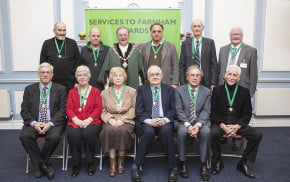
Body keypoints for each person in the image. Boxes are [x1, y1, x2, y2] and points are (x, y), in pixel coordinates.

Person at [210, 65, 263, 179]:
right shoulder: (217, 90)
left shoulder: (244, 92)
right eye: (229, 74)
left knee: (257, 135)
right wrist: (224, 126)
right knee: (212, 133)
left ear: (239, 78)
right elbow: (213, 112)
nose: (232, 77)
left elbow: (247, 113)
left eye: (235, 75)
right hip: (221, 123)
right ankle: (218, 161)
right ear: (225, 75)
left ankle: (243, 162)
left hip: (238, 123)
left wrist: (237, 126)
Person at [19, 62, 67, 179]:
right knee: (25, 136)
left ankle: (38, 165)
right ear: (38, 74)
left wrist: (50, 124)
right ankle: (43, 165)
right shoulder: (29, 89)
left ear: (52, 75)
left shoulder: (61, 89)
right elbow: (24, 110)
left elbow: (63, 110)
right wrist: (34, 123)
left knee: (54, 137)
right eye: (43, 72)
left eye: (48, 72)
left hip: (53, 123)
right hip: (34, 123)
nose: (45, 75)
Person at [131, 65, 178, 182]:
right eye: (152, 74)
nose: (155, 76)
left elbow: (174, 109)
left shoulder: (170, 89)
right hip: (148, 121)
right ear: (147, 77)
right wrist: (150, 121)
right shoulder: (142, 89)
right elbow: (139, 110)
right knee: (147, 132)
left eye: (157, 74)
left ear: (162, 76)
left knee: (167, 131)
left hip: (164, 120)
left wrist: (165, 119)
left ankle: (173, 167)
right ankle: (136, 166)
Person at [217, 27, 258, 151]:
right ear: (230, 36)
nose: (235, 36)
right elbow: (220, 70)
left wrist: (251, 92)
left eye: (238, 34)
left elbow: (253, 73)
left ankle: (237, 139)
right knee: (223, 111)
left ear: (242, 36)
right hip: (224, 88)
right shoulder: (223, 49)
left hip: (242, 89)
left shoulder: (251, 50)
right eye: (233, 34)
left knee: (239, 115)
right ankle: (223, 134)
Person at [175, 65, 211, 181]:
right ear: (187, 77)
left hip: (201, 122)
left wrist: (197, 125)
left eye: (197, 75)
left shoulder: (207, 91)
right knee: (181, 132)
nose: (195, 78)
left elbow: (206, 111)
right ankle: (182, 162)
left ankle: (203, 164)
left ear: (201, 77)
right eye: (192, 75)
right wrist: (188, 125)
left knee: (206, 132)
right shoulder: (179, 90)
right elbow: (178, 111)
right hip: (184, 121)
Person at [66, 65, 102, 177]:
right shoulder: (72, 92)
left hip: (92, 121)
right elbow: (68, 108)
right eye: (79, 75)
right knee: (73, 135)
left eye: (84, 75)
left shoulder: (95, 91)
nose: (82, 77)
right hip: (75, 121)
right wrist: (76, 120)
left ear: (89, 77)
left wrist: (89, 119)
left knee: (88, 134)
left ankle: (90, 164)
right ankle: (76, 165)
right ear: (76, 77)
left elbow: (98, 108)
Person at [99, 67, 136, 177]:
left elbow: (134, 108)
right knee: (108, 130)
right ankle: (112, 162)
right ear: (111, 78)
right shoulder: (105, 93)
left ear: (124, 77)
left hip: (127, 120)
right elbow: (103, 110)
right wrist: (110, 119)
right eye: (115, 76)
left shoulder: (132, 91)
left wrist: (122, 120)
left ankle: (121, 160)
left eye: (120, 75)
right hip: (110, 120)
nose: (118, 78)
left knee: (122, 130)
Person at [40, 22, 81, 93]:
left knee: (69, 104)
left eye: (64, 30)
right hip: (52, 82)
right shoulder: (47, 43)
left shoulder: (72, 43)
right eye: (59, 30)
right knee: (54, 104)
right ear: (54, 30)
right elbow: (42, 63)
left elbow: (78, 63)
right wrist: (45, 81)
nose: (62, 33)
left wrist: (77, 82)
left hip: (70, 83)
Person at [179, 19, 218, 90]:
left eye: (199, 26)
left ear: (203, 28)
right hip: (189, 80)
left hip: (206, 80)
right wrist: (182, 83)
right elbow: (182, 65)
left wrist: (213, 83)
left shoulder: (210, 43)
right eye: (194, 26)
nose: (197, 28)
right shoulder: (185, 44)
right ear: (191, 28)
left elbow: (214, 64)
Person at [138, 23, 179, 88]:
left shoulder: (171, 46)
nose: (156, 33)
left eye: (159, 31)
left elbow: (175, 66)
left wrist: (175, 83)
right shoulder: (144, 47)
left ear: (162, 33)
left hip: (167, 83)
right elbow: (142, 67)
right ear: (151, 33)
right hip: (148, 83)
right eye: (154, 31)